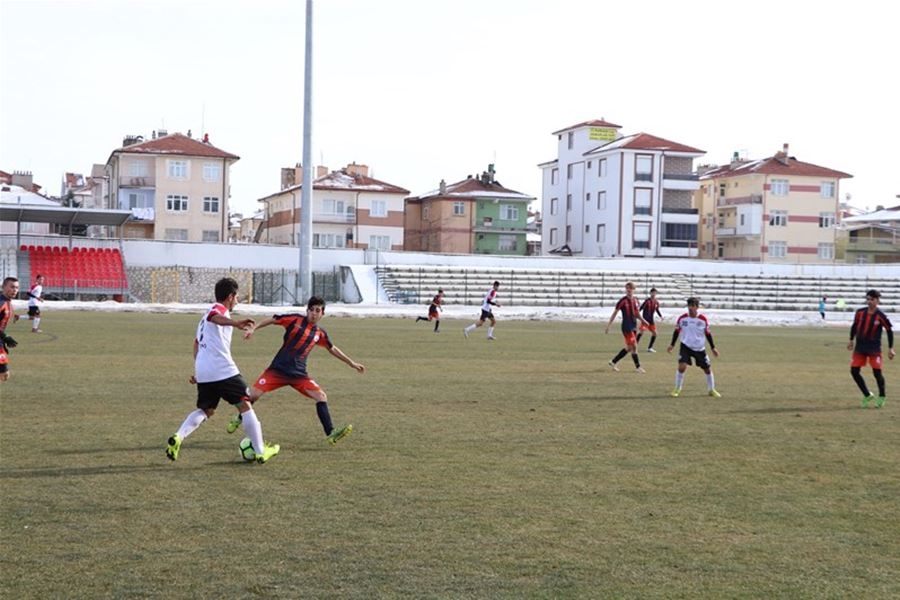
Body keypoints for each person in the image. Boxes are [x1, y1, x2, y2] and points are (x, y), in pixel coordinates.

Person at [166, 277, 280, 463]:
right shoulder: (217, 310)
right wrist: (236, 323)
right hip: (223, 369)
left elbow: (197, 344)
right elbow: (215, 317)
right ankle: (260, 451)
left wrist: (200, 370)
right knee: (245, 405)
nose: (236, 301)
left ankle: (178, 437)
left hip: (206, 371)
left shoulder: (203, 320)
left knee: (206, 410)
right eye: (236, 297)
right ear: (230, 296)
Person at [229, 295, 364, 445]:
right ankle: (239, 418)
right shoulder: (295, 320)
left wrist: (351, 363)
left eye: (317, 310)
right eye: (311, 310)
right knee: (252, 396)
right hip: (277, 371)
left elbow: (332, 348)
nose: (313, 313)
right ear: (307, 311)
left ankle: (330, 433)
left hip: (299, 376)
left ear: (322, 314)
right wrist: (254, 328)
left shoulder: (320, 333)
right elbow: (274, 319)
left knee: (321, 396)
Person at [847, 289, 895, 408]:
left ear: (877, 301)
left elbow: (889, 331)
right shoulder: (860, 312)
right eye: (867, 299)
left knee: (877, 373)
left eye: (872, 299)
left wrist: (890, 348)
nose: (869, 302)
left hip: (874, 349)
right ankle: (867, 394)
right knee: (854, 371)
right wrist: (851, 340)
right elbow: (854, 326)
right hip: (860, 348)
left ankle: (882, 396)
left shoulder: (880, 316)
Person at [666, 297, 721, 397]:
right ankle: (677, 389)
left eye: (692, 306)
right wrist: (672, 345)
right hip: (685, 346)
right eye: (689, 305)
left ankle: (711, 389)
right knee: (682, 367)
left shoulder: (703, 319)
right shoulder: (682, 318)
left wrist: (713, 348)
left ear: (697, 307)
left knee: (707, 369)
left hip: (699, 348)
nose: (690, 308)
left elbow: (708, 334)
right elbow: (676, 331)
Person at [605, 281, 649, 373]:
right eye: (627, 288)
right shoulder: (622, 301)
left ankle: (613, 362)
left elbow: (637, 314)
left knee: (629, 348)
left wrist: (643, 321)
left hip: (634, 325)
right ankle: (638, 367)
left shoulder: (636, 300)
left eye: (630, 288)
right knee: (634, 346)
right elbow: (615, 313)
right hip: (626, 326)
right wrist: (609, 325)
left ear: (633, 290)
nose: (629, 290)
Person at [0, 277, 20, 382]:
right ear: (3, 287)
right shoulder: (1, 302)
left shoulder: (8, 302)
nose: (15, 290)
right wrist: (5, 337)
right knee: (4, 374)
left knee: (4, 375)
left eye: (17, 287)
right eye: (12, 287)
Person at [636, 287, 664, 353]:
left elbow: (657, 310)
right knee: (641, 332)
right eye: (652, 292)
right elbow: (641, 308)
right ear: (650, 293)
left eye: (655, 293)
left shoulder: (656, 302)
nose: (654, 294)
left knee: (655, 333)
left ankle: (650, 348)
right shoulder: (647, 301)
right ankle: (634, 346)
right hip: (645, 320)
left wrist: (661, 316)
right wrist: (636, 314)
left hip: (651, 320)